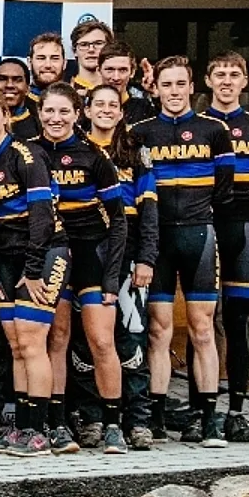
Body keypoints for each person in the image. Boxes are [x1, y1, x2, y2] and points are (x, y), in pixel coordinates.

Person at [132, 56, 235, 447]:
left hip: (198, 235)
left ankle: (208, 420)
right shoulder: (141, 132)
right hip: (157, 240)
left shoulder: (215, 130)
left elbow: (225, 189)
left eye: (180, 84)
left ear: (192, 87)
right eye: (166, 85)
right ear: (155, 88)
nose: (173, 92)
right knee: (159, 331)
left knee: (202, 329)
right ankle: (156, 419)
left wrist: (203, 217)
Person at [0, 87, 68, 457]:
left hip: (43, 254)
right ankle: (22, 430)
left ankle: (38, 433)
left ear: (6, 117)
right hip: (6, 259)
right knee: (16, 347)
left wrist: (34, 269)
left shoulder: (26, 155)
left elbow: (43, 218)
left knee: (32, 343)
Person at [37, 83, 127, 454]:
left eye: (64, 111)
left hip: (93, 253)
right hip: (52, 253)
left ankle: (113, 425)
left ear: (78, 114)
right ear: (39, 113)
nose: (56, 118)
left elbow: (119, 220)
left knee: (101, 341)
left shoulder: (95, 156)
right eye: (49, 111)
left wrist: (112, 277)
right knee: (56, 338)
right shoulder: (29, 153)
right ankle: (57, 425)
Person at [203, 50, 249, 443]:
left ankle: (236, 411)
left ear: (244, 82)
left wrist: (243, 212)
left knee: (237, 319)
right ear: (208, 81)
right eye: (220, 74)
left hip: (243, 225)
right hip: (205, 223)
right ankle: (204, 410)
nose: (227, 81)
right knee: (203, 320)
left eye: (234, 74)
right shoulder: (199, 125)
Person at [84, 83, 159, 450]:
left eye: (112, 105)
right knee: (87, 341)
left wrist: (146, 258)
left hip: (128, 248)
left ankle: (138, 420)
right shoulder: (76, 147)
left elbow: (150, 211)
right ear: (86, 110)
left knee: (132, 335)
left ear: (121, 111)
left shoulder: (135, 151)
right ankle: (92, 418)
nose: (105, 110)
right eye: (98, 104)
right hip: (86, 247)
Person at [98, 40, 156, 125]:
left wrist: (156, 94)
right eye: (110, 69)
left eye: (122, 70)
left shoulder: (144, 108)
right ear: (99, 71)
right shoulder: (87, 106)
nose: (116, 77)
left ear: (132, 72)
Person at [0, 57, 40, 140]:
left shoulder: (40, 125)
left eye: (17, 80)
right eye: (2, 79)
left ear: (28, 89)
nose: (9, 85)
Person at [69, 19, 112, 97]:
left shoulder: (120, 90)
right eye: (84, 44)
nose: (91, 50)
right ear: (74, 51)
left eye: (98, 43)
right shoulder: (64, 92)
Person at [27, 33, 67, 104]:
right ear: (29, 62)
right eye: (41, 58)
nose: (48, 65)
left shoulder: (76, 102)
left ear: (64, 63)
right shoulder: (19, 103)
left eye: (55, 58)